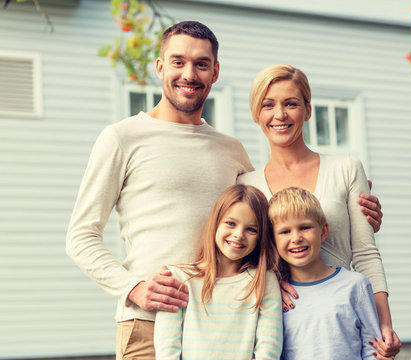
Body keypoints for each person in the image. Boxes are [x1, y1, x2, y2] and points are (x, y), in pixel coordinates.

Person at [66, 21, 382, 359]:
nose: (189, 73)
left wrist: (348, 211)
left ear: (214, 72)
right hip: (150, 320)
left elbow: (269, 218)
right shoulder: (122, 138)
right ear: (160, 67)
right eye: (178, 62)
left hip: (227, 328)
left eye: (201, 64)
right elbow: (80, 237)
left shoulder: (230, 149)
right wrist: (135, 288)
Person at [237, 64, 401, 358]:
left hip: (338, 320)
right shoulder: (246, 184)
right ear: (256, 114)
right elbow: (243, 260)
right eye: (268, 105)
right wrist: (271, 283)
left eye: (291, 103)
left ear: (308, 110)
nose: (280, 115)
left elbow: (365, 252)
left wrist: (383, 324)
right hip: (279, 324)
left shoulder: (346, 168)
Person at [154, 184, 282, 359]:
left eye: (251, 229)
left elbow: (269, 349)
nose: (238, 235)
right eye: (230, 223)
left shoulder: (264, 281)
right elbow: (167, 351)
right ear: (215, 223)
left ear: (261, 237)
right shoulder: (178, 279)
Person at [268, 187, 390, 360]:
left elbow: (374, 351)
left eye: (304, 227)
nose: (296, 238)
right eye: (285, 231)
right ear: (273, 240)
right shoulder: (277, 297)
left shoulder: (355, 286)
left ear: (323, 231)